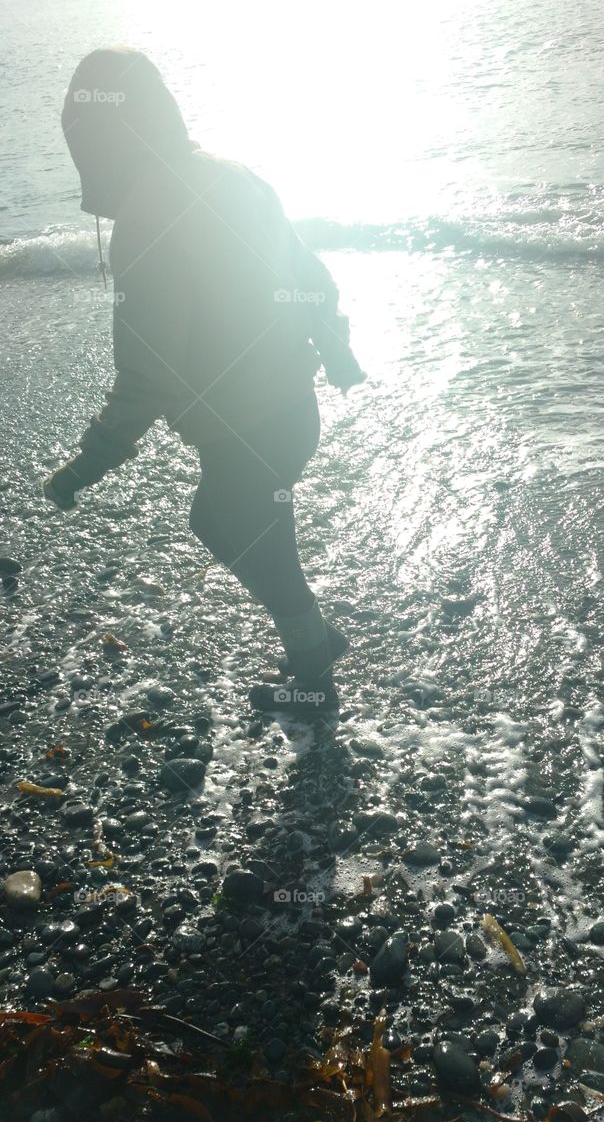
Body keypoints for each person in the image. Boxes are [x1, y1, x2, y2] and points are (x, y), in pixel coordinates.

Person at [44, 47, 366, 714]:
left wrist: (89, 463)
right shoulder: (228, 171)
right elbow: (309, 276)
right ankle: (314, 642)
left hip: (244, 424)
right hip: (287, 407)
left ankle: (311, 669)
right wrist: (335, 350)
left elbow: (148, 370)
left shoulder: (146, 219)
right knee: (238, 522)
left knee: (233, 522)